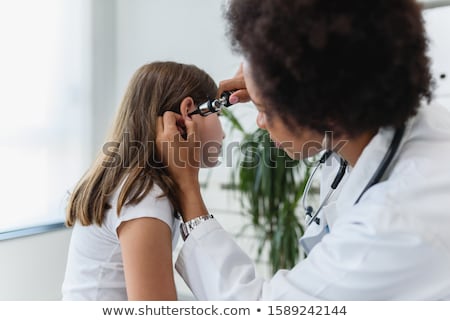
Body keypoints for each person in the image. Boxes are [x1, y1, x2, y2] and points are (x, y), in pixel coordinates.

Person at [157, 0, 450, 300]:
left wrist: (187, 189)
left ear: (322, 107)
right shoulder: (389, 116)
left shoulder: (391, 226)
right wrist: (270, 79)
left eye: (265, 110)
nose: (259, 123)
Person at [62, 61, 224, 300]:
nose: (224, 132)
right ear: (188, 112)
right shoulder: (144, 195)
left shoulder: (135, 184)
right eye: (218, 113)